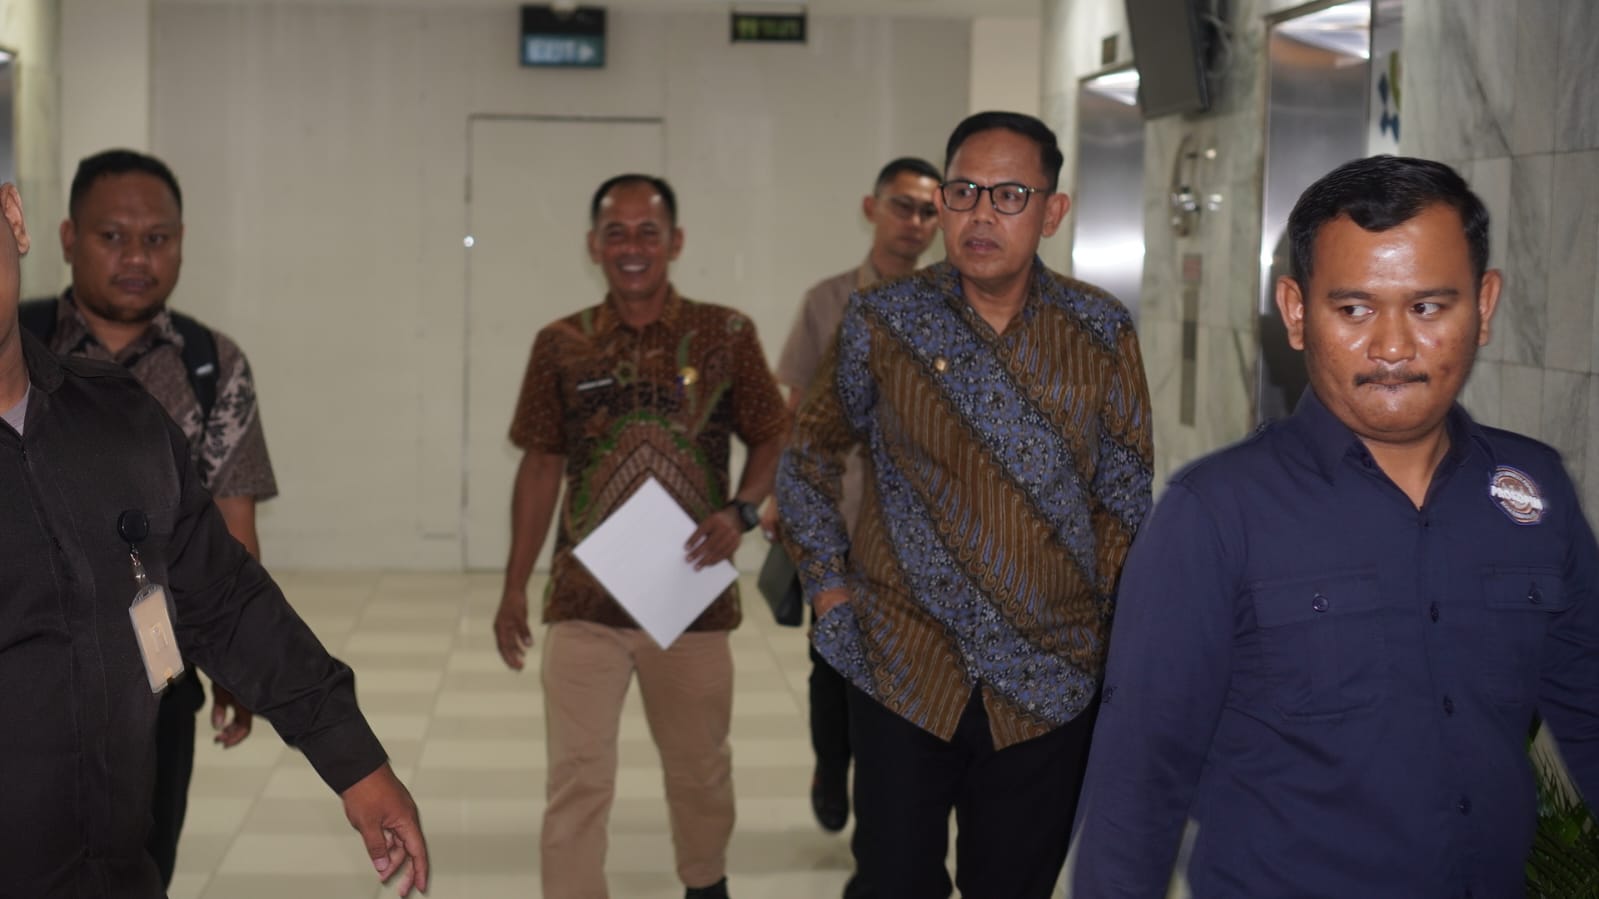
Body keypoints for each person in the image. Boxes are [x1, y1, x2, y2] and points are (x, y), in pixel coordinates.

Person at [1071, 155, 1599, 898]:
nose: (1392, 346)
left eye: (1428, 307)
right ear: (1295, 312)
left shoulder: (1532, 492)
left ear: (1484, 305)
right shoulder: (1215, 513)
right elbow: (1137, 782)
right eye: (1353, 309)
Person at [0, 181, 428, 894]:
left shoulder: (117, 417)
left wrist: (353, 758)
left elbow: (223, 599)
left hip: (116, 869)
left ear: (13, 218)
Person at [777, 111, 1153, 899]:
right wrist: (830, 591)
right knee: (892, 881)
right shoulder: (882, 321)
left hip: (1047, 680)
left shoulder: (1100, 331)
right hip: (903, 666)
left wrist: (1100, 633)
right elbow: (807, 455)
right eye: (963, 192)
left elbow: (1123, 498)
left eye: (1009, 195)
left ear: (1052, 211)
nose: (981, 214)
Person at [492, 174, 789, 899]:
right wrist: (512, 588)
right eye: (615, 233)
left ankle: (704, 884)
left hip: (689, 602)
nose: (632, 246)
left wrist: (743, 511)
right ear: (594, 245)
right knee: (577, 779)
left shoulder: (725, 335)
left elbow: (775, 433)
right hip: (584, 603)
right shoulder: (561, 344)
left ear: (675, 242)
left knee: (700, 772)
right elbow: (540, 466)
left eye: (647, 232)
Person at [23, 148, 273, 886]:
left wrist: (238, 659)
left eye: (157, 238)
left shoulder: (211, 364)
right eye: (113, 237)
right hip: (23, 671)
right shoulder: (15, 344)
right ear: (69, 238)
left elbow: (233, 530)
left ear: (182, 242)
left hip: (156, 675)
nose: (137, 257)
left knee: (142, 866)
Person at [763, 155, 941, 836]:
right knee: (831, 657)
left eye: (928, 211)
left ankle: (885, 799)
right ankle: (830, 763)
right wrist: (780, 497)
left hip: (920, 525)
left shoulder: (950, 305)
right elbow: (794, 410)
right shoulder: (827, 300)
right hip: (838, 512)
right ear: (872, 209)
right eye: (902, 205)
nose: (914, 222)